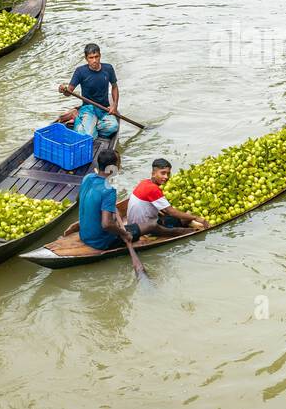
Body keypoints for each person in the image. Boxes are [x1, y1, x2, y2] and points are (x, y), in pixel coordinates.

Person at [66, 148, 147, 276]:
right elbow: (106, 224)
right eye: (119, 163)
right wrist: (124, 234)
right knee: (150, 226)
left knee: (116, 215)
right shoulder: (109, 191)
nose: (120, 166)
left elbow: (79, 199)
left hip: (84, 235)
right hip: (100, 242)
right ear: (113, 168)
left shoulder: (87, 178)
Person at [126, 159, 208, 237]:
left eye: (168, 174)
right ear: (153, 173)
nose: (166, 177)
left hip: (133, 225)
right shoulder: (153, 189)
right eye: (163, 173)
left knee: (173, 216)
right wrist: (195, 217)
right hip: (146, 229)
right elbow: (171, 212)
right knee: (185, 220)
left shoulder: (144, 182)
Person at [59, 43, 120, 137]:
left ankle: (91, 128)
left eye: (96, 57)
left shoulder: (108, 69)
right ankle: (76, 116)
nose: (94, 60)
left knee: (113, 127)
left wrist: (114, 106)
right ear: (86, 58)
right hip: (88, 109)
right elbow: (68, 92)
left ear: (100, 56)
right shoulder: (80, 71)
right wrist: (63, 89)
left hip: (104, 109)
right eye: (91, 58)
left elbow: (114, 87)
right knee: (88, 135)